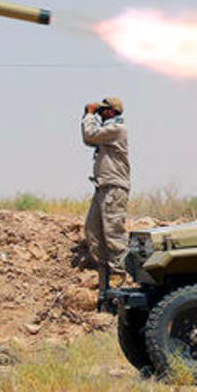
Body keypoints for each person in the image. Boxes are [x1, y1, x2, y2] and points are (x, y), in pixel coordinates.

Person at [81, 96, 130, 291]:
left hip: (114, 187)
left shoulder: (117, 128)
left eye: (103, 111)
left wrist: (89, 115)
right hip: (102, 186)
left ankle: (120, 275)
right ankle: (104, 279)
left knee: (113, 232)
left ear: (111, 111)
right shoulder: (107, 130)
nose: (100, 113)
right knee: (93, 232)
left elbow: (89, 136)